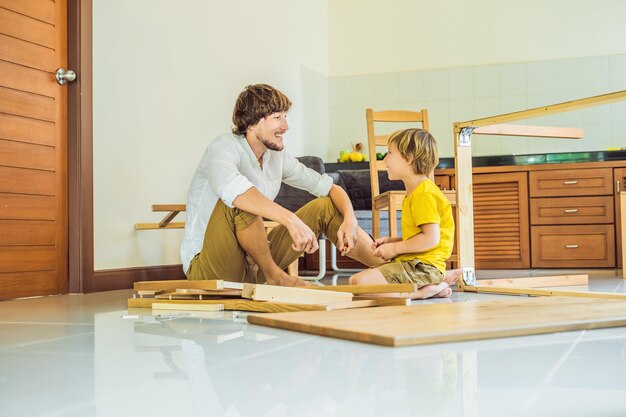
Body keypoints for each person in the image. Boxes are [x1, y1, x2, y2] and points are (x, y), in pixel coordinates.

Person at [181, 84, 381, 286]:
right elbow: (237, 193)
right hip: (208, 267)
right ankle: (275, 276)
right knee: (243, 199)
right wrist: (290, 220)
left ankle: (391, 269)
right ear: (252, 123)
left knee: (325, 206)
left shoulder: (276, 157)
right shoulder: (223, 147)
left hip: (254, 266)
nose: (285, 126)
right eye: (277, 117)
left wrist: (350, 219)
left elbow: (330, 188)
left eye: (285, 117)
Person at [349, 128, 459, 298]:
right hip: (416, 264)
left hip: (423, 268)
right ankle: (430, 288)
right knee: (356, 284)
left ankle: (422, 293)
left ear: (408, 158)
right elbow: (422, 236)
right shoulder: (415, 193)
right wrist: (393, 241)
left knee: (359, 284)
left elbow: (431, 238)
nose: (385, 159)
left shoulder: (425, 194)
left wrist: (394, 248)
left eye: (389, 153)